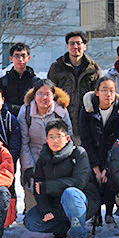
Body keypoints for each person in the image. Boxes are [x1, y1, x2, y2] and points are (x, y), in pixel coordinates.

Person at [24, 118, 92, 238]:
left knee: (70, 193)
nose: (55, 140)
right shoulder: (43, 159)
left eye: (59, 136)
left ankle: (79, 235)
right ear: (46, 139)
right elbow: (38, 188)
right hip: (55, 204)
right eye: (51, 137)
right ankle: (61, 228)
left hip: (80, 201)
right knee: (31, 221)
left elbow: (79, 182)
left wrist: (48, 186)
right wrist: (46, 210)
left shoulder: (78, 153)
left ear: (67, 138)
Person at [78, 77, 119, 227]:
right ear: (96, 92)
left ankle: (109, 213)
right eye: (104, 90)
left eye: (112, 91)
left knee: (110, 179)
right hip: (92, 151)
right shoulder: (87, 109)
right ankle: (95, 214)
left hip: (111, 153)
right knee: (93, 181)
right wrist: (96, 168)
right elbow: (85, 139)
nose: (108, 94)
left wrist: (106, 168)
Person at [18, 80, 71, 211]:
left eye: (48, 94)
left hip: (55, 155)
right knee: (32, 191)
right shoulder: (26, 111)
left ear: (53, 95)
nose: (44, 98)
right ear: (34, 95)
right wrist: (28, 167)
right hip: (33, 154)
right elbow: (23, 142)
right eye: (40, 94)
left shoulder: (60, 112)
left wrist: (60, 160)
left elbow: (68, 138)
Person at [47, 31, 102, 138]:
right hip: (62, 118)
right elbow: (50, 92)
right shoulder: (56, 67)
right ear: (67, 46)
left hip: (85, 120)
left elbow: (97, 96)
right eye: (72, 43)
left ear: (84, 46)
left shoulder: (93, 69)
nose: (75, 46)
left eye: (78, 43)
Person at [0, 43, 42, 117]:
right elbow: (0, 102)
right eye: (17, 56)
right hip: (8, 119)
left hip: (30, 119)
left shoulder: (36, 81)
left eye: (23, 56)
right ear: (11, 59)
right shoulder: (3, 81)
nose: (20, 59)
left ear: (28, 58)